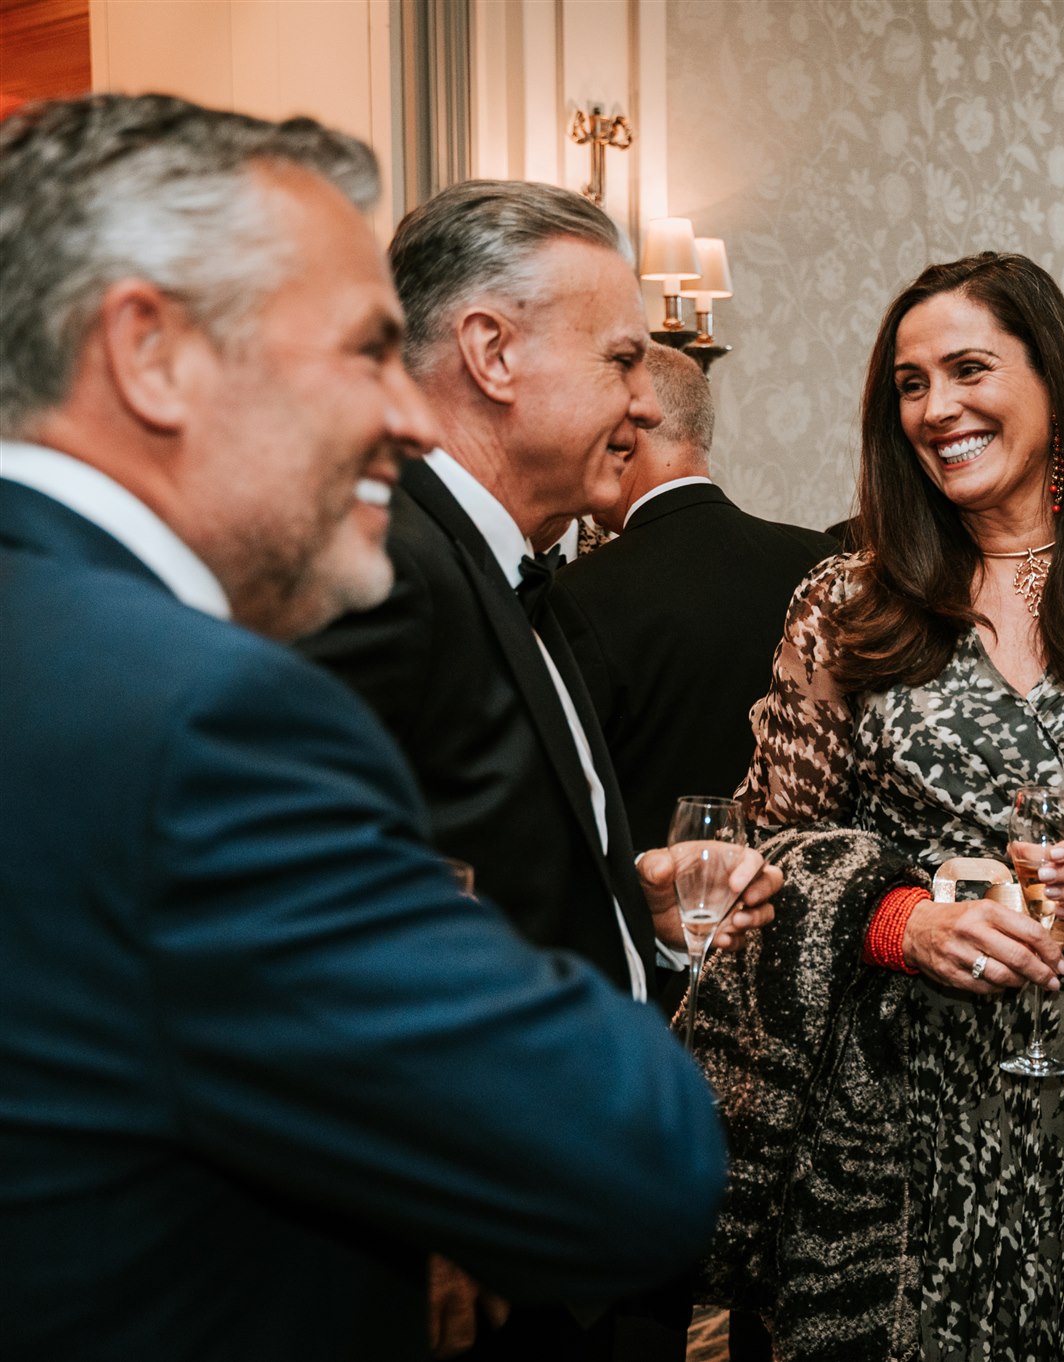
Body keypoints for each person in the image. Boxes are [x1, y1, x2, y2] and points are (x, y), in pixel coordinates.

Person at [0, 93, 730, 1361]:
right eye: (362, 352)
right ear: (150, 354)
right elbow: (632, 1155)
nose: (405, 415)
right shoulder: (206, 718)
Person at [692, 252, 1064, 1362]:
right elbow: (771, 853)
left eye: (969, 369)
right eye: (910, 385)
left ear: (1053, 382)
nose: (937, 408)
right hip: (911, 1119)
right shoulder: (845, 604)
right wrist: (903, 924)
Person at [295, 179, 780, 1359]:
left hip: (568, 1224)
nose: (642, 399)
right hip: (484, 1233)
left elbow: (483, 856)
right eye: (619, 359)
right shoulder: (383, 562)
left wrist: (627, 909)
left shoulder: (516, 569)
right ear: (491, 352)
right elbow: (321, 920)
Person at [556, 343, 838, 846]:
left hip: (658, 884)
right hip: (798, 876)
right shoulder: (823, 560)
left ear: (627, 434)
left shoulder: (577, 593)